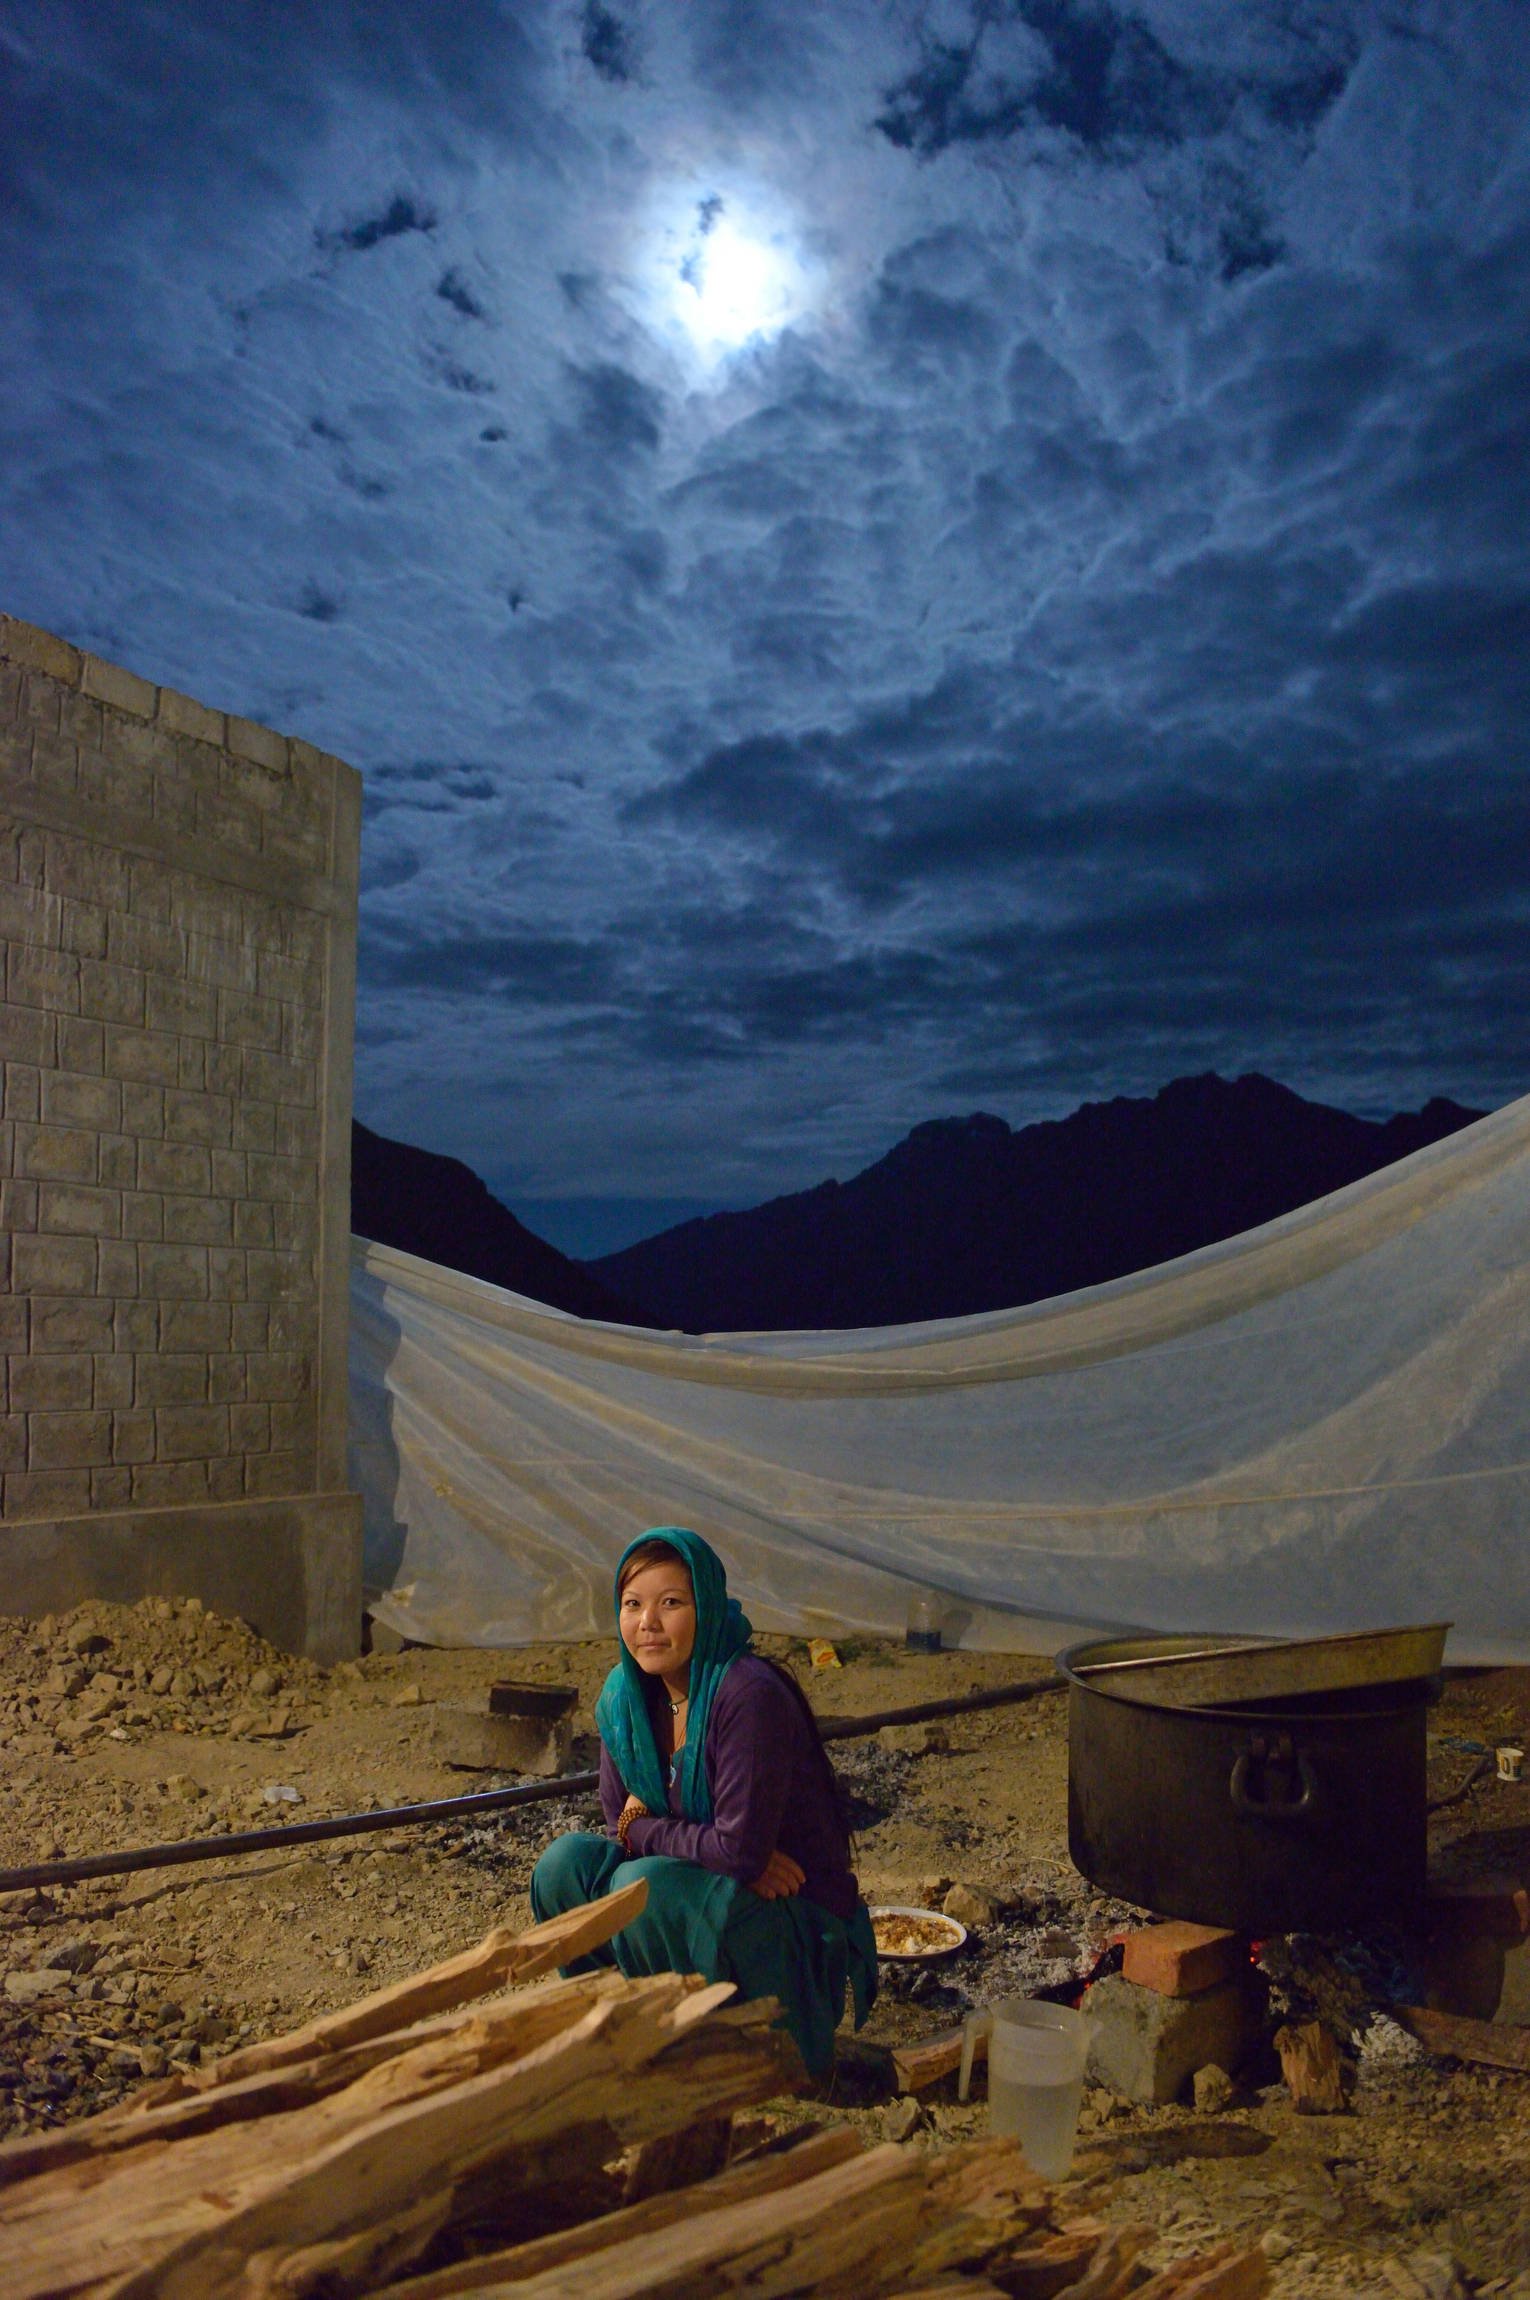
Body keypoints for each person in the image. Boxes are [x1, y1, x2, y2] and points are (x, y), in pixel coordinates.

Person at [530, 1525, 877, 2079]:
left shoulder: (747, 1694)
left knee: (644, 1883)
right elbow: (619, 1823)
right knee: (562, 1866)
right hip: (717, 1890)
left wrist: (660, 1833)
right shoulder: (625, 1698)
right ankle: (620, 2031)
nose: (648, 1622)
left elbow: (694, 1843)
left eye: (671, 1603)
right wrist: (716, 1852)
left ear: (706, 1607)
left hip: (789, 1922)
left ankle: (727, 2053)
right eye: (632, 1604)